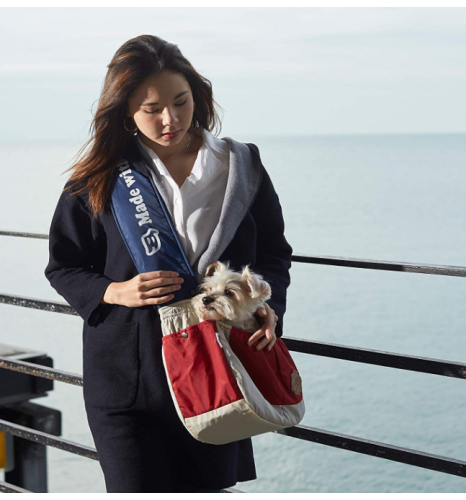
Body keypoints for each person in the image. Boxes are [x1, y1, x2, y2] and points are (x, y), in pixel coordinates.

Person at [44, 34, 293, 493]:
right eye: (151, 108)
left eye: (181, 101)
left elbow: (275, 256)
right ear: (125, 113)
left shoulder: (242, 167)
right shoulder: (99, 177)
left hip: (217, 373)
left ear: (197, 93)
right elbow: (63, 265)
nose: (170, 119)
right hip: (125, 378)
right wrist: (112, 291)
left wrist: (266, 304)